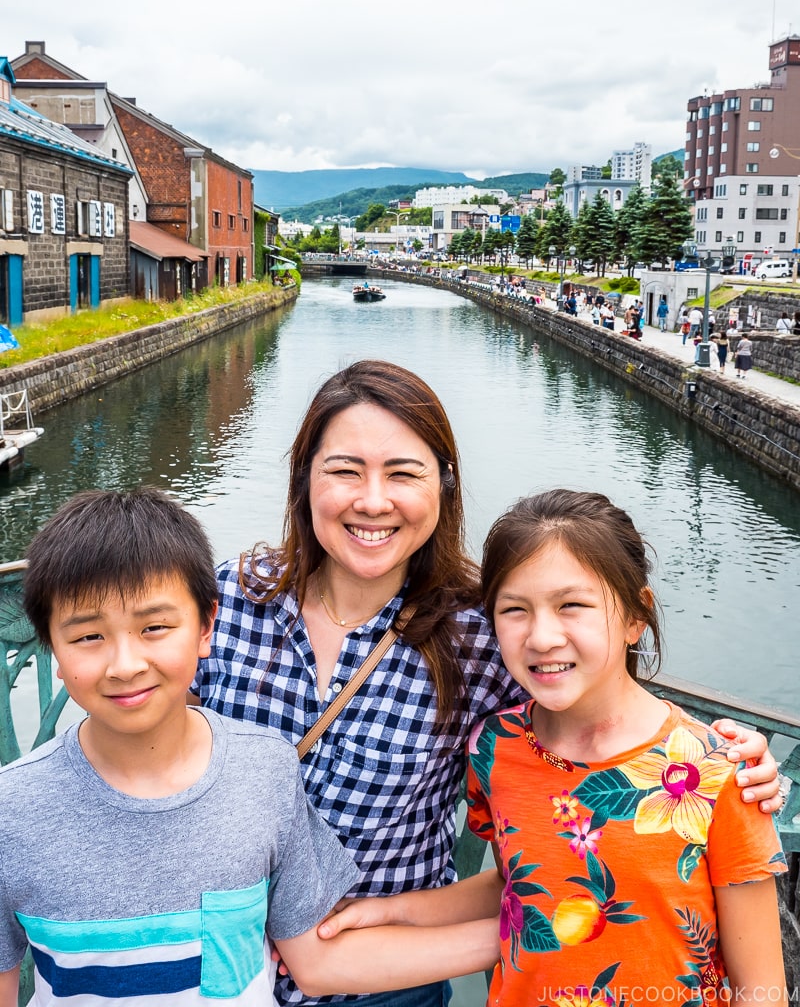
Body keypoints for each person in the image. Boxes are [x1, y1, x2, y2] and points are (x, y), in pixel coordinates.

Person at [192, 361, 781, 1007]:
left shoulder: (480, 638)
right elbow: (153, 728)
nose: (372, 500)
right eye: (344, 470)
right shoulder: (233, 599)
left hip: (387, 986)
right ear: (304, 477)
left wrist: (725, 759)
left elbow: (594, 714)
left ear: (444, 486)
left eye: (403, 474)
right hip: (216, 968)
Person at [0, 488, 497, 1007]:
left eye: (154, 628)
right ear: (51, 647)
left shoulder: (264, 771)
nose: (125, 663)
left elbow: (315, 962)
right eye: (88, 638)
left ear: (208, 626)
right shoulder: (12, 813)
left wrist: (531, 935)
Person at [324, 490, 788, 1006]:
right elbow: (522, 880)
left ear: (637, 615)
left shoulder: (721, 772)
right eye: (515, 609)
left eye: (573, 606)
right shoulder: (495, 747)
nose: (542, 637)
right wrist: (395, 911)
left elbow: (761, 988)